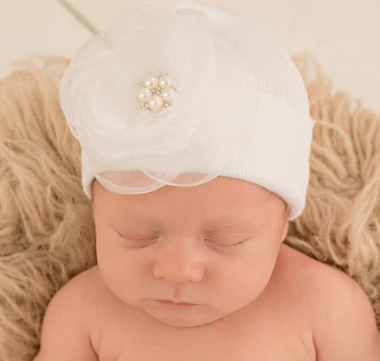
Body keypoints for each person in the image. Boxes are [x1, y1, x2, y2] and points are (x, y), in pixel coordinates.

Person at [34, 1, 380, 360]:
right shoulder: (82, 314)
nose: (178, 271)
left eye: (226, 240)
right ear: (96, 218)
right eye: (135, 235)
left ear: (282, 227)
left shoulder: (326, 308)